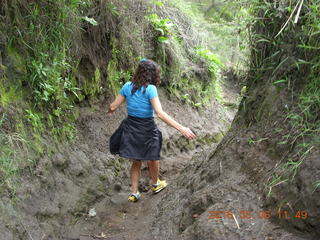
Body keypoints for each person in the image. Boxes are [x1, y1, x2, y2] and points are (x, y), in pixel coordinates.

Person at [108, 59, 196, 202]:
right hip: (147, 128)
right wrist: (182, 128)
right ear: (152, 74)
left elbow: (113, 106)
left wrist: (109, 111)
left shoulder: (127, 86)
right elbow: (160, 113)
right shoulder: (150, 89)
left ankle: (134, 193)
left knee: (136, 160)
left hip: (131, 126)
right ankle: (155, 184)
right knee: (153, 156)